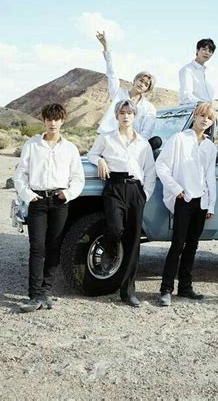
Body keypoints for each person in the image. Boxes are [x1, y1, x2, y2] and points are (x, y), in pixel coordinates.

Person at [14, 103, 85, 312]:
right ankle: (34, 295)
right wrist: (28, 196)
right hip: (37, 201)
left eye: (56, 119)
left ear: (62, 121)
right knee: (37, 248)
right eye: (49, 119)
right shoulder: (32, 145)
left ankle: (45, 291)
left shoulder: (70, 148)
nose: (52, 123)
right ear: (44, 121)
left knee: (54, 247)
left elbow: (78, 178)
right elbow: (20, 174)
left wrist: (68, 194)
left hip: (59, 201)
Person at [87, 99, 156, 307]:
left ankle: (128, 292)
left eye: (129, 113)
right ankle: (110, 249)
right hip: (114, 187)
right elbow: (91, 153)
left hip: (135, 190)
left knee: (134, 242)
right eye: (122, 112)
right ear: (117, 115)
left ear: (134, 116)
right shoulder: (106, 138)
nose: (126, 116)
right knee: (115, 229)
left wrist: (144, 195)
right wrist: (99, 160)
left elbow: (150, 172)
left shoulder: (143, 143)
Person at [156, 102, 217, 306]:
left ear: (211, 122)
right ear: (195, 116)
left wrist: (211, 204)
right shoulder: (179, 139)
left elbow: (210, 176)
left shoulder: (209, 146)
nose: (204, 120)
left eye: (208, 118)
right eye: (201, 115)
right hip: (184, 199)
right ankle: (165, 290)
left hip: (201, 202)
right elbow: (161, 165)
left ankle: (185, 287)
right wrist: (176, 189)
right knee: (177, 245)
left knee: (192, 245)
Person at [96, 31, 156, 139]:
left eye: (146, 84)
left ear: (147, 89)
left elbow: (147, 132)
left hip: (130, 145)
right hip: (108, 139)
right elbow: (112, 73)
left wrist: (137, 147)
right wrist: (106, 46)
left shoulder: (148, 108)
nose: (142, 84)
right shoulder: (118, 94)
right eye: (141, 80)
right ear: (135, 80)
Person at [179, 38, 216, 105]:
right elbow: (186, 96)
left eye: (210, 51)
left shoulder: (207, 73)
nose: (207, 53)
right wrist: (203, 104)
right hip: (195, 112)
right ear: (197, 50)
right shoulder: (187, 70)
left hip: (207, 112)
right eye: (204, 49)